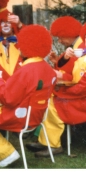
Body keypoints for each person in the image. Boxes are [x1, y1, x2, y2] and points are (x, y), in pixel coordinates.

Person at [0, 24, 57, 168]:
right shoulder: (48, 69)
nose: (18, 48)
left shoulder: (26, 70)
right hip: (37, 117)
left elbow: (7, 99)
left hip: (19, 117)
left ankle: (4, 152)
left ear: (25, 47)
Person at [26, 16, 86, 157]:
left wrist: (63, 91)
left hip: (81, 99)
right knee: (50, 99)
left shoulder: (81, 47)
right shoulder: (80, 47)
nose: (59, 40)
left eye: (60, 37)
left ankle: (52, 144)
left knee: (53, 104)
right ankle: (46, 140)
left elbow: (81, 84)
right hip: (79, 94)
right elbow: (75, 74)